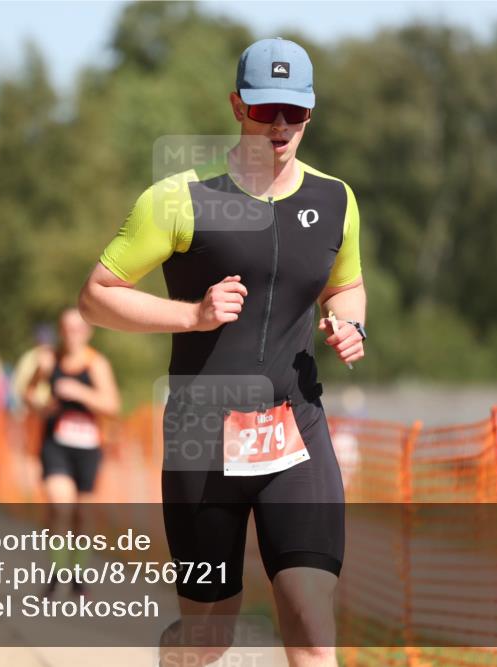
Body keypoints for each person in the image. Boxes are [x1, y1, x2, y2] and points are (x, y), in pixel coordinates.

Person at [78, 38, 366, 667]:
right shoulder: (178, 200)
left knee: (314, 626)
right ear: (238, 107)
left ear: (312, 113)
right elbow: (97, 297)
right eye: (266, 111)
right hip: (203, 438)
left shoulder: (335, 201)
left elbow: (347, 284)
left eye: (295, 111)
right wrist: (193, 315)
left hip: (296, 428)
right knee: (209, 635)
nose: (281, 126)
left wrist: (351, 325)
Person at [27, 308, 120, 596]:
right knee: (60, 506)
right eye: (66, 328)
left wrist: (80, 393)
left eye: (78, 329)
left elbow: (113, 405)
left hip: (88, 446)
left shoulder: (96, 364)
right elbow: (28, 392)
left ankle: (78, 573)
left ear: (88, 332)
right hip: (55, 443)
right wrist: (42, 407)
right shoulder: (48, 360)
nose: (72, 334)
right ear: (60, 331)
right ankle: (57, 573)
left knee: (82, 513)